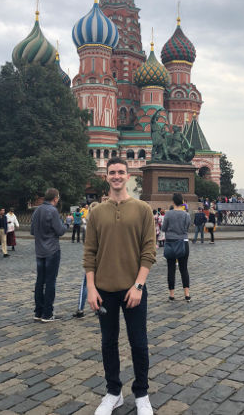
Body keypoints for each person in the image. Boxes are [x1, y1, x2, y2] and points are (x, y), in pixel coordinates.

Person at [84, 157, 156, 415]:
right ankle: (113, 392)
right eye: (112, 172)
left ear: (128, 176)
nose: (116, 176)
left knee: (139, 342)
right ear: (106, 177)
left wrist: (138, 285)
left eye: (120, 172)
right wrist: (91, 288)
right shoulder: (96, 212)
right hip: (104, 290)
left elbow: (149, 250)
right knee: (108, 343)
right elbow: (89, 252)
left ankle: (142, 394)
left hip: (133, 289)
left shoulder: (142, 209)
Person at [31, 188, 67, 322]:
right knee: (50, 281)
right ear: (55, 198)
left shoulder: (37, 210)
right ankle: (47, 313)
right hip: (52, 250)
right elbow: (60, 231)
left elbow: (32, 231)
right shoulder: (52, 211)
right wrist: (66, 223)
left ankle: (38, 312)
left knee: (40, 281)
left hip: (40, 250)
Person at [161, 193, 191, 302]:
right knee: (184, 269)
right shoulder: (186, 215)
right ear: (182, 202)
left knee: (171, 269)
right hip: (183, 242)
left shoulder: (168, 214)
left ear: (173, 202)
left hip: (170, 242)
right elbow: (187, 228)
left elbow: (163, 228)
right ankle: (187, 294)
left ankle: (172, 294)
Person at [73, 201, 99, 319]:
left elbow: (85, 244)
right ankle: (98, 308)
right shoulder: (105, 224)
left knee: (85, 284)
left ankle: (80, 308)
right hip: (102, 258)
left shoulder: (86, 226)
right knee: (100, 284)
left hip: (91, 259)